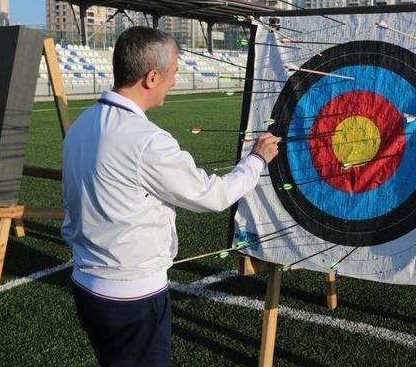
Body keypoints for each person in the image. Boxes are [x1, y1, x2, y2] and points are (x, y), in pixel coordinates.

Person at [61, 26, 278, 367]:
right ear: (151, 77)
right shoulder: (147, 140)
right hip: (132, 296)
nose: (174, 80)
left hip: (87, 287)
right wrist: (257, 161)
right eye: (173, 72)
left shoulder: (82, 124)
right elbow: (212, 195)